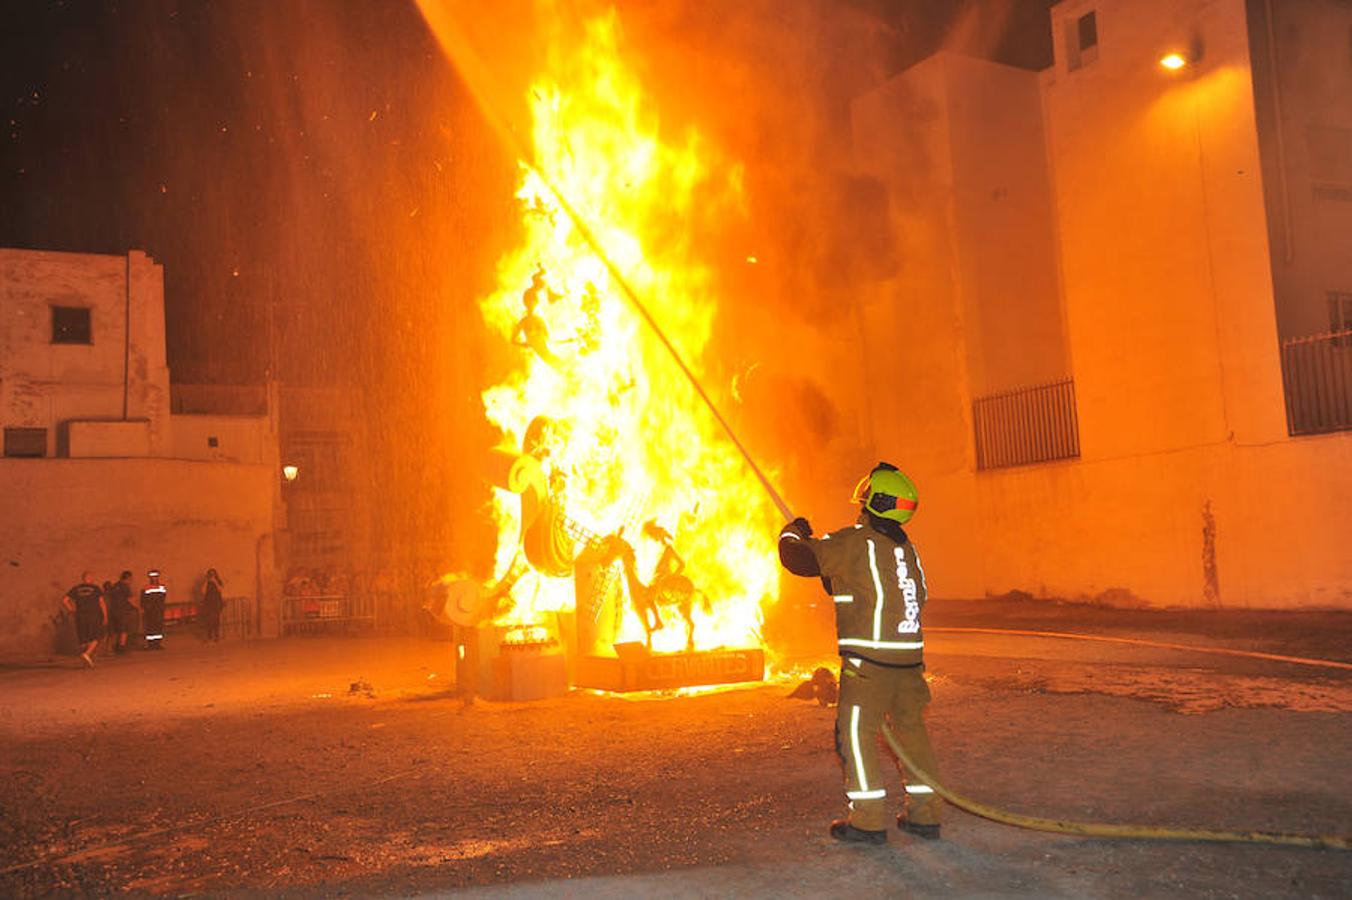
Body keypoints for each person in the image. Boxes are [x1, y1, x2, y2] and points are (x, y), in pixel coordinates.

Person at [777, 462, 942, 845]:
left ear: (875, 501)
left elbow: (797, 559)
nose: (861, 504)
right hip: (909, 661)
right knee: (912, 733)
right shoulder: (906, 550)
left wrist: (793, 532)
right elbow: (856, 588)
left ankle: (867, 820)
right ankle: (925, 815)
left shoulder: (855, 541)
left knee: (856, 735)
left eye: (866, 497)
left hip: (869, 665)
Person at [61, 572, 106, 668]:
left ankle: (86, 659)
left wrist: (71, 610)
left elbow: (64, 600)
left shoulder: (76, 589)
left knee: (84, 638)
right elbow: (101, 602)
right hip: (93, 615)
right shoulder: (96, 588)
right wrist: (105, 616)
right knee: (97, 636)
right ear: (90, 578)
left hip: (80, 616)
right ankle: (87, 654)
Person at [107, 570, 135, 654]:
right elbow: (130, 599)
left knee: (114, 631)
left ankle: (110, 648)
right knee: (124, 630)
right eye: (131, 579)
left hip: (113, 611)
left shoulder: (115, 586)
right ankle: (121, 647)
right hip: (123, 611)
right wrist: (138, 607)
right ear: (128, 578)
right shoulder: (125, 586)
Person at [140, 570, 168, 650]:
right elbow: (143, 599)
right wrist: (144, 608)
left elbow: (163, 597)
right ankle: (150, 644)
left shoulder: (162, 587)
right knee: (150, 627)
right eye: (152, 577)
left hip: (158, 610)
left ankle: (157, 643)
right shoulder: (146, 587)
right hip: (150, 610)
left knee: (158, 626)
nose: (154, 578)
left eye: (155, 577)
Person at [200, 568, 225, 642]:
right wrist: (206, 581)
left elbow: (220, 589)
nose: (212, 576)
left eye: (213, 574)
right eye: (210, 574)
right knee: (208, 619)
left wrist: (215, 582)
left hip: (216, 602)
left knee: (216, 619)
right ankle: (209, 636)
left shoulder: (218, 581)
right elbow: (203, 591)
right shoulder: (206, 582)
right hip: (208, 603)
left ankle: (216, 636)